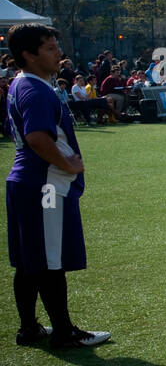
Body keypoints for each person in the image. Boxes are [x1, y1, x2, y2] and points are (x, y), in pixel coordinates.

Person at [5, 24, 110, 349]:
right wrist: (68, 164)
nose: (58, 54)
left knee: (29, 260)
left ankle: (29, 328)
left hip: (28, 182)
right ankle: (64, 332)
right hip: (45, 185)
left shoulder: (22, 84)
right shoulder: (36, 89)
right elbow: (37, 137)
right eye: (49, 48)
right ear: (29, 54)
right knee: (49, 261)